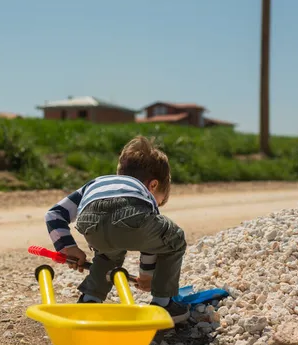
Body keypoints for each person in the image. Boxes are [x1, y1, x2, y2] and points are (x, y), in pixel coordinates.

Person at [44, 135, 189, 323]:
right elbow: (150, 243)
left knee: (107, 254)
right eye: (160, 200)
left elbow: (54, 214)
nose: (158, 203)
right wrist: (147, 276)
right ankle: (163, 304)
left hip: (90, 221)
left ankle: (90, 300)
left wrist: (67, 246)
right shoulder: (141, 191)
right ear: (153, 185)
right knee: (174, 239)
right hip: (132, 214)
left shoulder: (96, 183)